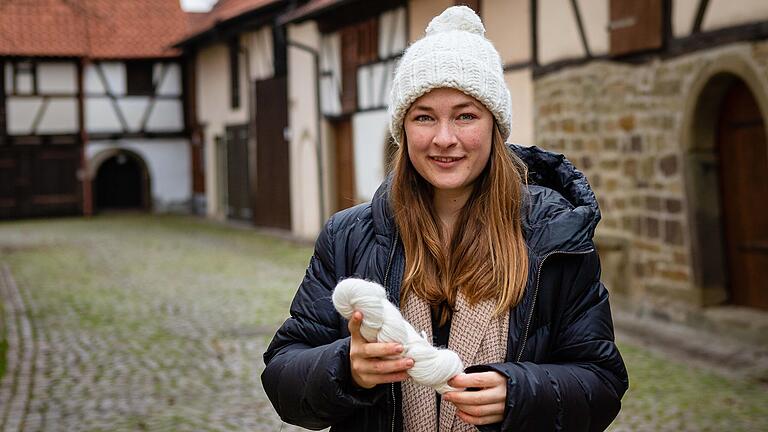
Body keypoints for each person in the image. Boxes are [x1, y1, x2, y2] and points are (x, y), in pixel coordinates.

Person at [262, 6, 628, 431]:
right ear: (403, 129)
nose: (444, 138)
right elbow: (283, 375)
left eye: (465, 115)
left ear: (495, 125)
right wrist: (348, 368)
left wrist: (520, 393)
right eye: (424, 117)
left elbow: (602, 383)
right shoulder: (348, 236)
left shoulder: (554, 236)